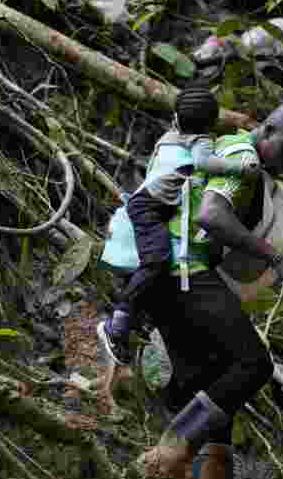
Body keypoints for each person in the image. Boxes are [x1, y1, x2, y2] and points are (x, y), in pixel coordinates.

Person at [133, 96, 283, 479]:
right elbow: (213, 215)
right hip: (182, 268)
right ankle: (166, 455)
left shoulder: (254, 165)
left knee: (216, 379)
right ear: (268, 129)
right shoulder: (242, 156)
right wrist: (277, 260)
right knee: (253, 364)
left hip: (181, 269)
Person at [98, 86, 262, 366]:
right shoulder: (200, 141)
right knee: (157, 261)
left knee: (157, 262)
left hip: (146, 202)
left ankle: (136, 318)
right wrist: (241, 169)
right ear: (210, 122)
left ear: (176, 117)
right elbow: (204, 162)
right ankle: (118, 322)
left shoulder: (169, 137)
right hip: (149, 208)